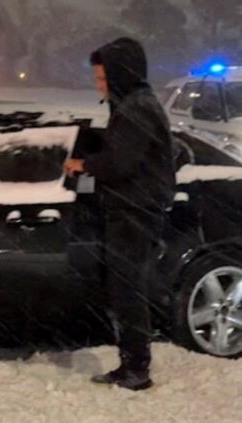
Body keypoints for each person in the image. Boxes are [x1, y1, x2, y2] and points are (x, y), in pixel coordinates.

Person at [64, 37, 175, 391]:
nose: (99, 85)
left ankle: (136, 369)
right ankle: (133, 363)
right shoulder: (135, 104)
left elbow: (118, 163)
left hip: (134, 211)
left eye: (103, 78)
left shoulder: (136, 109)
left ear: (120, 74)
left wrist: (82, 164)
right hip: (134, 208)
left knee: (127, 289)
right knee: (126, 287)